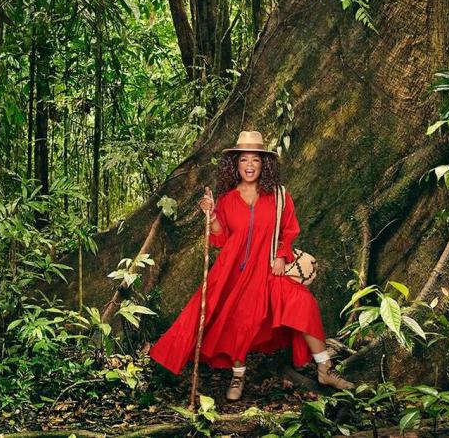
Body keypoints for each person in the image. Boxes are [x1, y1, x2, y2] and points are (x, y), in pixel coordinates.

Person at [148, 131, 354, 401]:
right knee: (239, 322)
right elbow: (221, 238)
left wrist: (281, 255)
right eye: (243, 160)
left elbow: (289, 230)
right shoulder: (228, 199)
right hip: (235, 272)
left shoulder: (279, 196)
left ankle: (325, 368)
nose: (249, 165)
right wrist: (210, 216)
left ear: (263, 165)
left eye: (255, 160)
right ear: (235, 164)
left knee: (303, 305)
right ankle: (237, 375)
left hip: (270, 270)